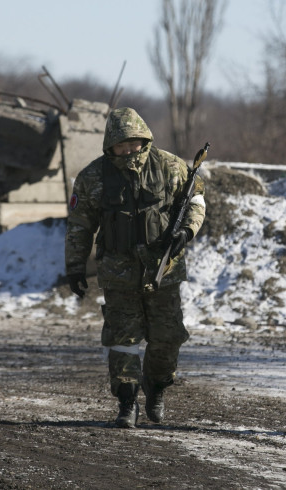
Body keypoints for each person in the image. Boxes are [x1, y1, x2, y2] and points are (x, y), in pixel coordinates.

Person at [65, 107, 205, 428]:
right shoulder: (92, 178)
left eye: (134, 142)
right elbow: (79, 226)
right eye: (120, 144)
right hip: (118, 274)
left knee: (168, 337)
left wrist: (187, 231)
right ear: (109, 146)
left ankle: (156, 388)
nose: (128, 149)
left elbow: (196, 202)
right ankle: (127, 403)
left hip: (163, 271)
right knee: (122, 339)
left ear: (144, 139)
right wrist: (74, 267)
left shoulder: (170, 167)